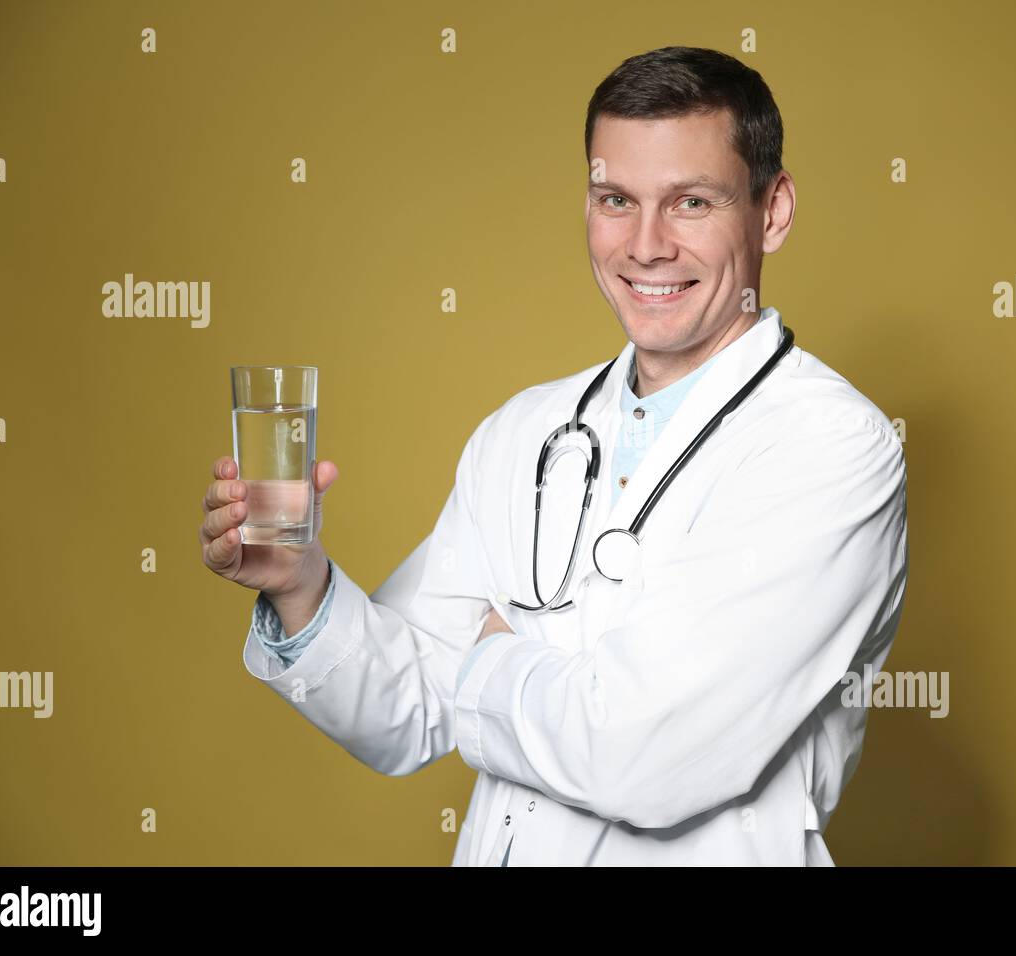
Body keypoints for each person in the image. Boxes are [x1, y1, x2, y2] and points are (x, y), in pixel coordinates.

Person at [199, 46, 908, 866]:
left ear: (772, 210)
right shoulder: (525, 431)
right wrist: (301, 587)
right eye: (617, 199)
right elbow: (406, 713)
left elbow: (644, 757)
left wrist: (492, 654)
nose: (646, 245)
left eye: (690, 202)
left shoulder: (830, 447)